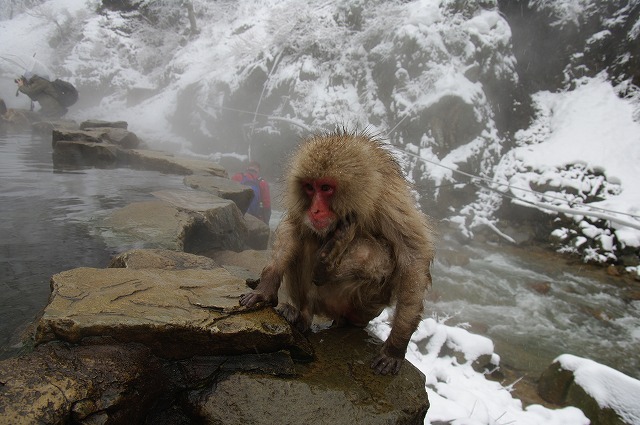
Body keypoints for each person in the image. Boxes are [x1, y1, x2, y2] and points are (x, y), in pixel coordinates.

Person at [232, 161, 271, 225]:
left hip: (238, 216)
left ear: (247, 168)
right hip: (255, 218)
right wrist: (266, 223)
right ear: (258, 170)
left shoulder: (237, 177)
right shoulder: (262, 182)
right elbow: (267, 204)